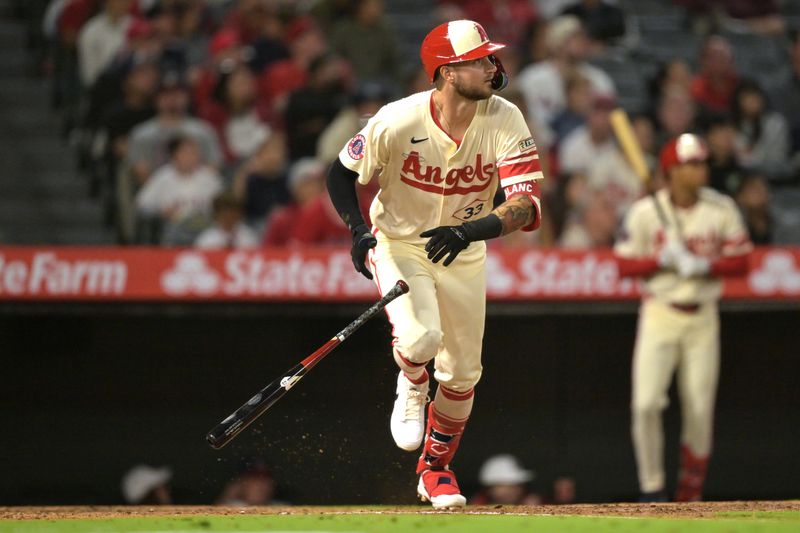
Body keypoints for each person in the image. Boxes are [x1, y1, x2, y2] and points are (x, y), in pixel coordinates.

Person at [326, 20, 543, 509]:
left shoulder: (506, 118)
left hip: (464, 248)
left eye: (491, 57)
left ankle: (434, 471)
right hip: (401, 242)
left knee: (464, 375)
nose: (493, 66)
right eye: (481, 60)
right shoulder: (398, 119)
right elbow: (341, 172)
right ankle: (412, 381)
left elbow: (525, 205)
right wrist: (358, 230)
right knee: (421, 338)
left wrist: (469, 230)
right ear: (448, 73)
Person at [614, 133, 752, 502]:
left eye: (702, 163)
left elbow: (742, 260)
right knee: (645, 404)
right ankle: (652, 488)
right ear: (671, 171)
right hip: (659, 310)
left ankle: (690, 491)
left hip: (703, 316)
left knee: (699, 406)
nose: (700, 169)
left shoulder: (720, 208)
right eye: (691, 164)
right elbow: (623, 264)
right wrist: (659, 260)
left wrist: (705, 264)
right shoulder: (646, 212)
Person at [195, 191, 259, 249]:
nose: (229, 216)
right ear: (217, 214)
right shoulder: (206, 239)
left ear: (239, 214)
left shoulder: (248, 236)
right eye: (225, 213)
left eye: (233, 212)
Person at [470, 454, 541, 505]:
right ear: (489, 489)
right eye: (504, 485)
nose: (513, 490)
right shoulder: (477, 504)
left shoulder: (531, 503)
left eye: (517, 485)